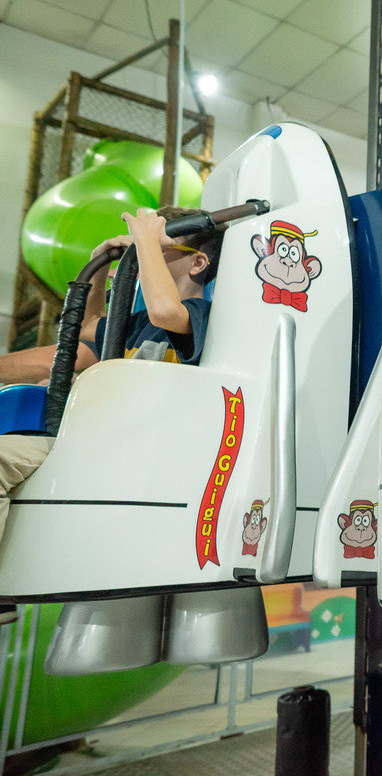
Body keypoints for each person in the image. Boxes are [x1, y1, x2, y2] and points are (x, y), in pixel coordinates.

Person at [0, 206, 224, 623]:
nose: (144, 258)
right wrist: (103, 263)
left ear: (198, 262)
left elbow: (164, 310)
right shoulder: (137, 324)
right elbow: (88, 329)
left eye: (161, 248)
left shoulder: (196, 316)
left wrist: (144, 240)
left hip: (138, 449)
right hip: (99, 440)